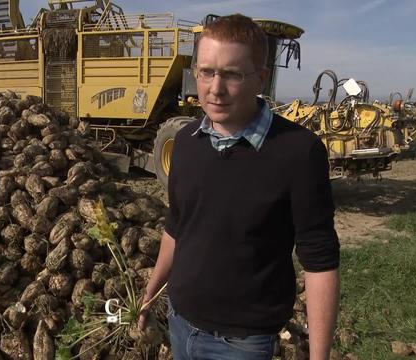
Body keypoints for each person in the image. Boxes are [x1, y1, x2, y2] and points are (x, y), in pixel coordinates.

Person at [139, 14, 340, 360]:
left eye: (231, 74)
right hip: (180, 323)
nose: (215, 88)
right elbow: (177, 226)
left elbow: (320, 263)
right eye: (206, 72)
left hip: (241, 345)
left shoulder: (298, 152)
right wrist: (152, 292)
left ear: (260, 78)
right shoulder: (186, 142)